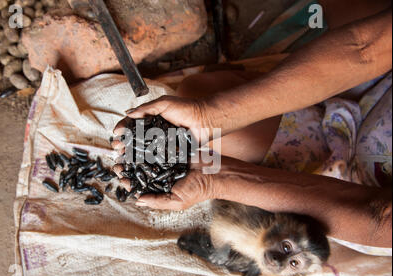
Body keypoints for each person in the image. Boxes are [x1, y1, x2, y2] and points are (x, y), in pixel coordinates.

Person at [113, 1, 392, 249]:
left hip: (347, 189)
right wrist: (210, 117)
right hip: (371, 95)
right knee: (196, 97)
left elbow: (378, 219)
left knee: (201, 142)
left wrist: (216, 179)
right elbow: (364, 50)